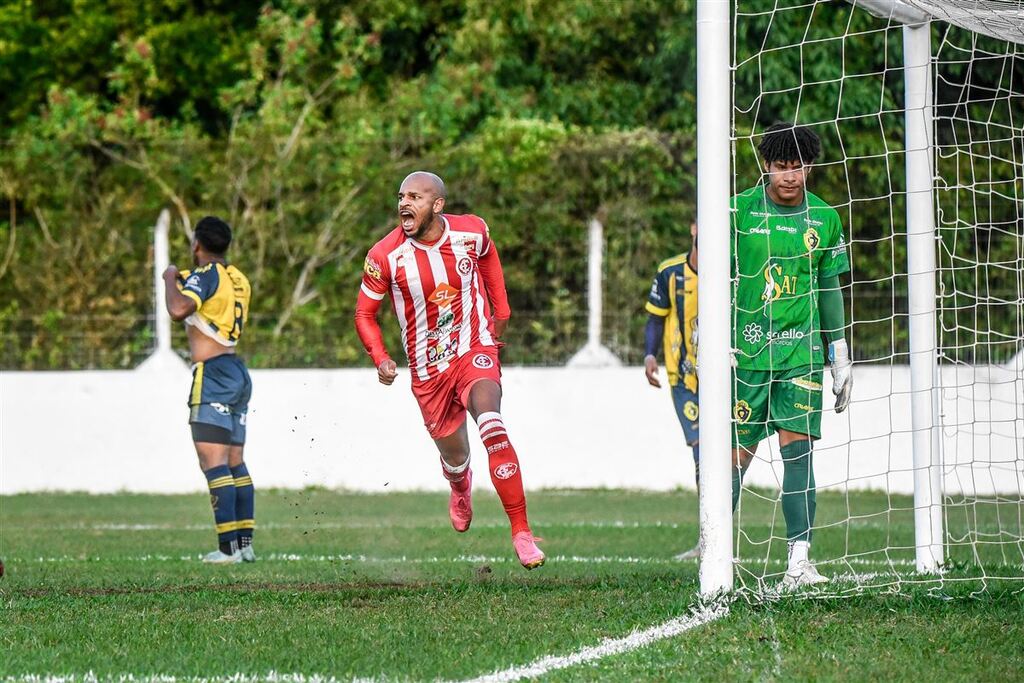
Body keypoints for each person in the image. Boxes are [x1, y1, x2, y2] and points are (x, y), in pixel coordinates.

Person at [354, 171, 545, 570]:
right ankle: (459, 483)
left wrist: (502, 312)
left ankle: (522, 531)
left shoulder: (471, 232)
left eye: (415, 197)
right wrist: (380, 357)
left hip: (473, 348)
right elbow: (364, 314)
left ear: (437, 205)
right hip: (427, 370)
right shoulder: (384, 256)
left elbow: (490, 257)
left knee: (491, 422)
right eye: (401, 196)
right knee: (455, 456)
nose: (405, 204)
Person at [730, 123, 852, 588]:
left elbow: (829, 286)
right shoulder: (737, 210)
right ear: (766, 166)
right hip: (746, 353)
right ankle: (715, 549)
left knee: (798, 453)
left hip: (800, 353)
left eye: (799, 167)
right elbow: (718, 275)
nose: (790, 176)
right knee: (735, 457)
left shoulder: (824, 218)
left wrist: (838, 350)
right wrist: (708, 335)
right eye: (782, 167)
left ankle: (799, 561)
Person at [163, 216, 256, 565]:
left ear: (196, 245)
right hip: (237, 370)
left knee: (212, 462)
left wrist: (171, 275)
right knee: (235, 461)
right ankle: (244, 544)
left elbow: (178, 308)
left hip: (214, 373)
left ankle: (226, 549)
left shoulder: (205, 275)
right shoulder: (237, 278)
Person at [644, 221, 701, 560]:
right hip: (683, 379)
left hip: (729, 378)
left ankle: (720, 530)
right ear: (693, 228)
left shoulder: (736, 271)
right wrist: (650, 355)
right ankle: (709, 537)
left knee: (731, 455)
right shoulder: (670, 272)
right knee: (702, 449)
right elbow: (655, 318)